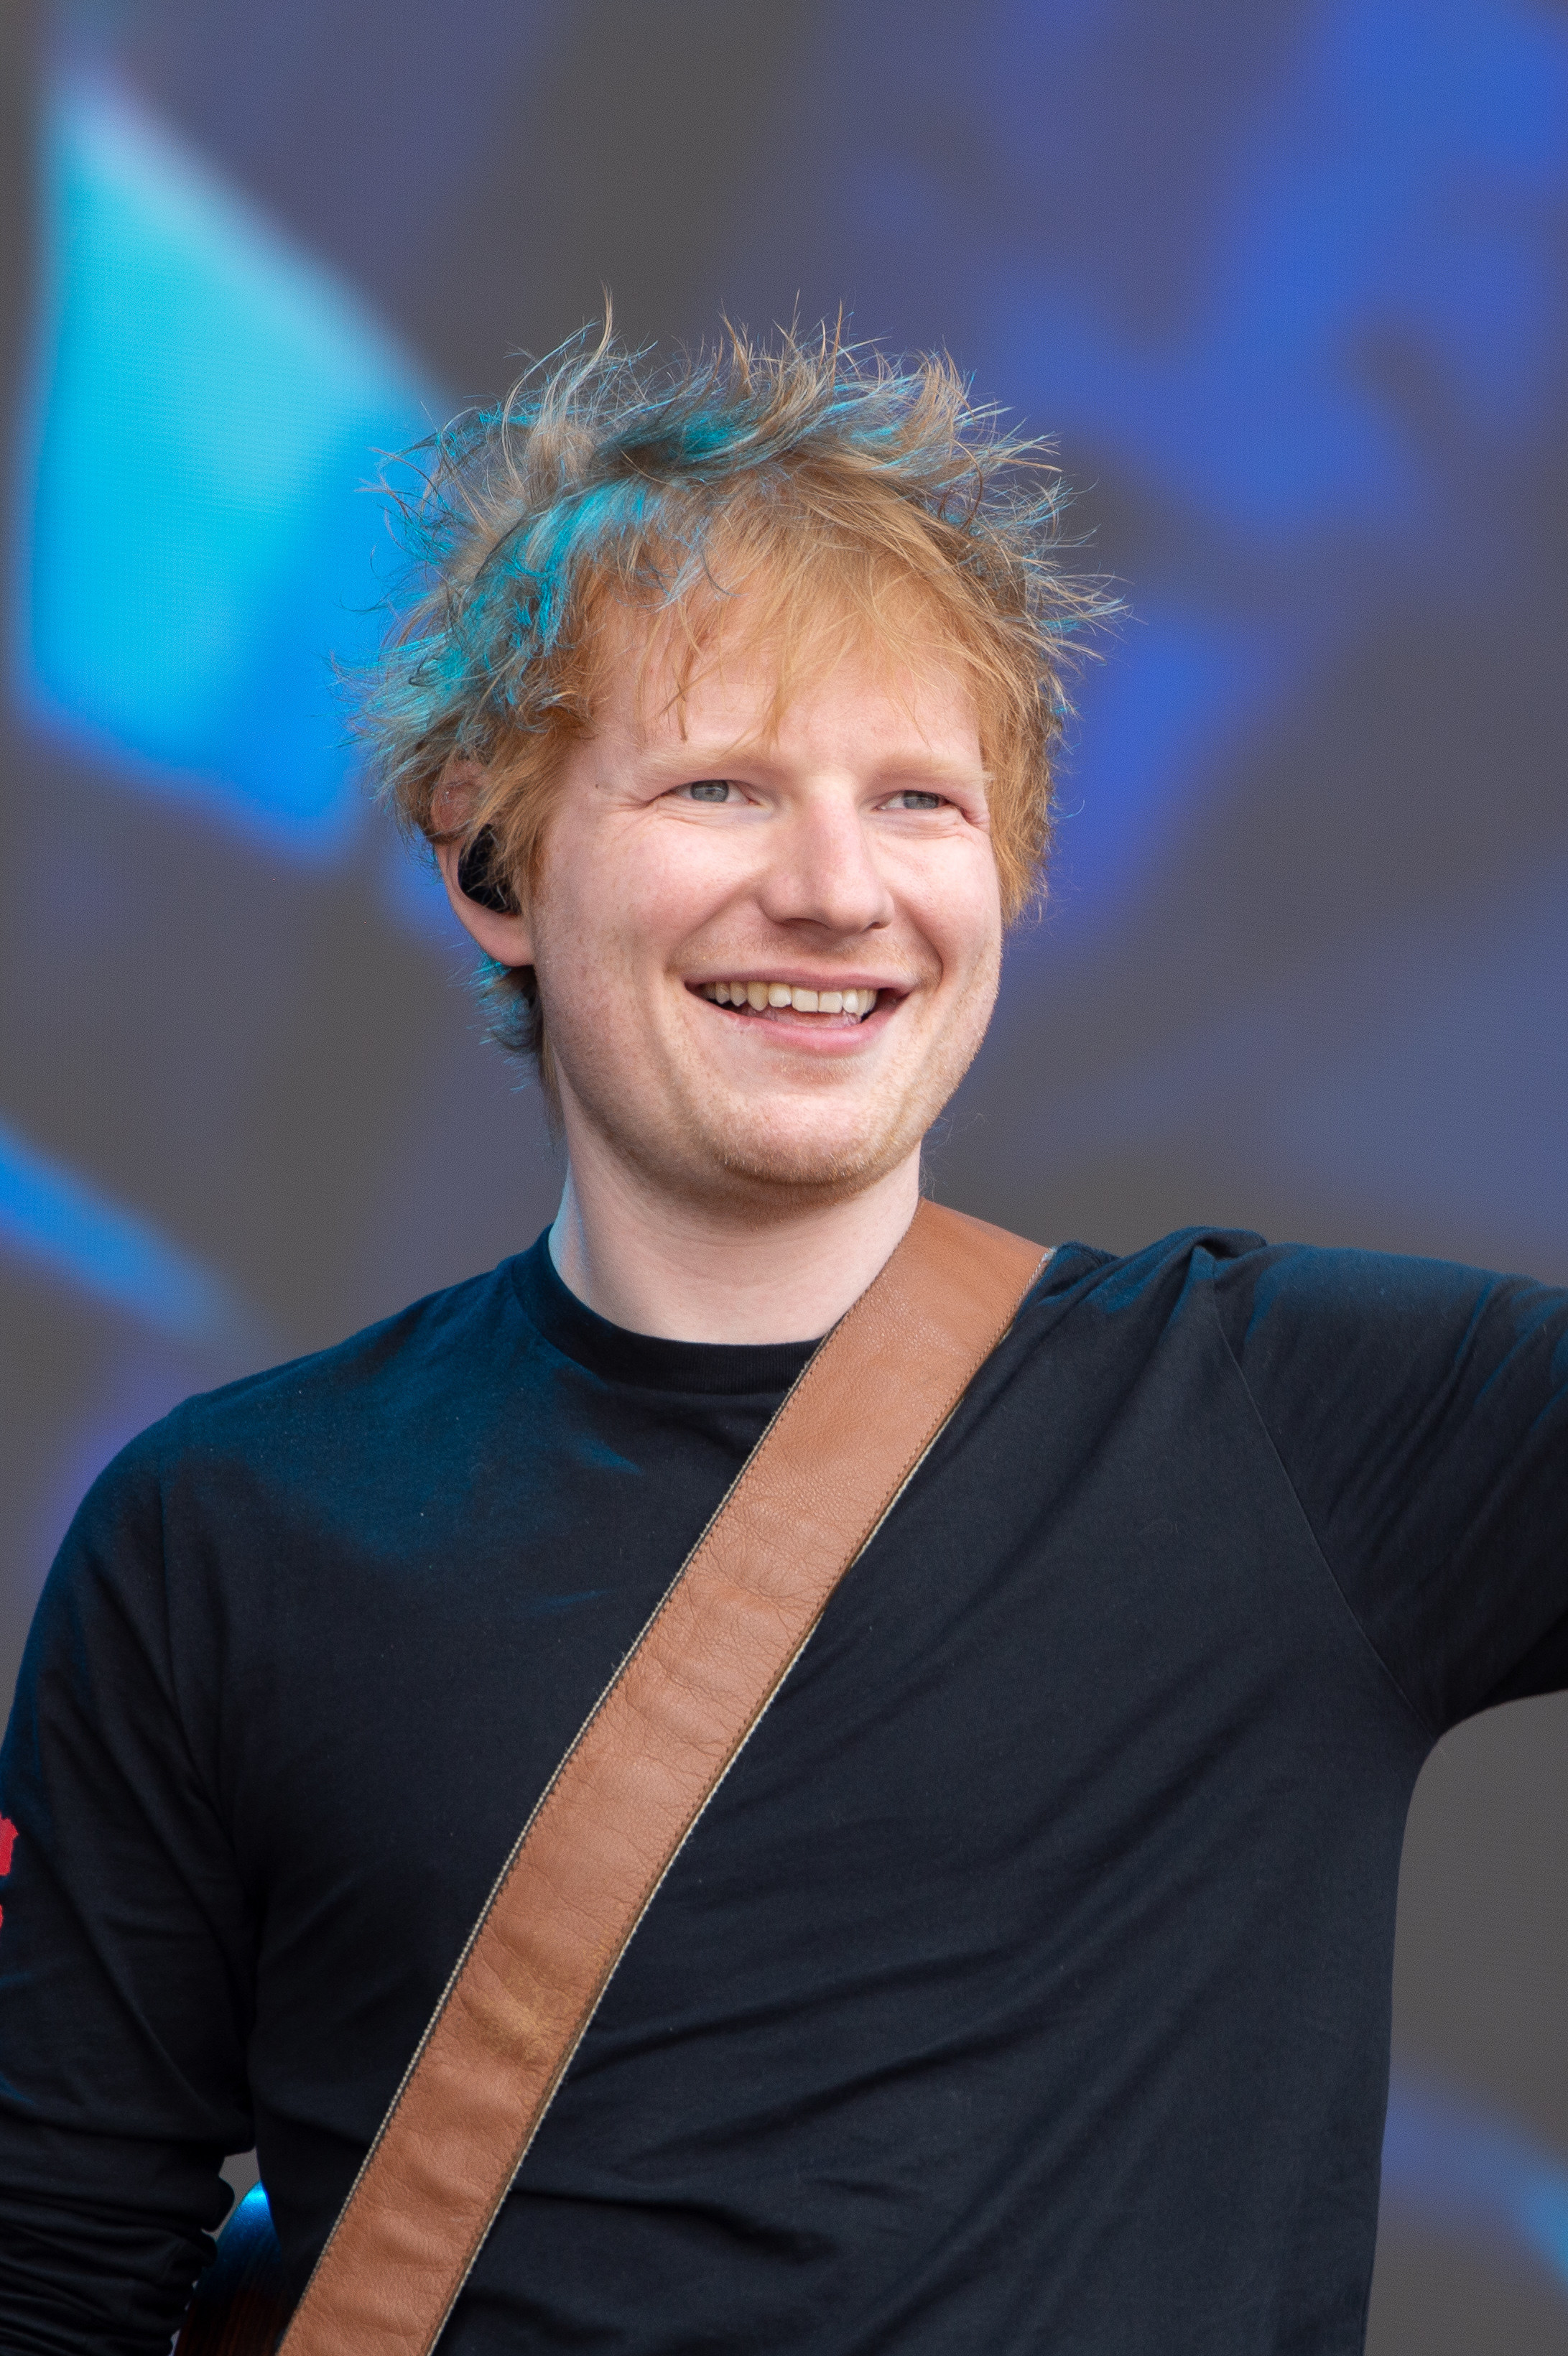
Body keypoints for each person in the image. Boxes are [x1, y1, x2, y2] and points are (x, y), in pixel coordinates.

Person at [0, 326, 1564, 2356]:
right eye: (723, 783)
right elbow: (51, 2267)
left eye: (921, 797)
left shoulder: (1317, 1427)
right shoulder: (222, 1532)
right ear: (494, 853)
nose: (836, 891)